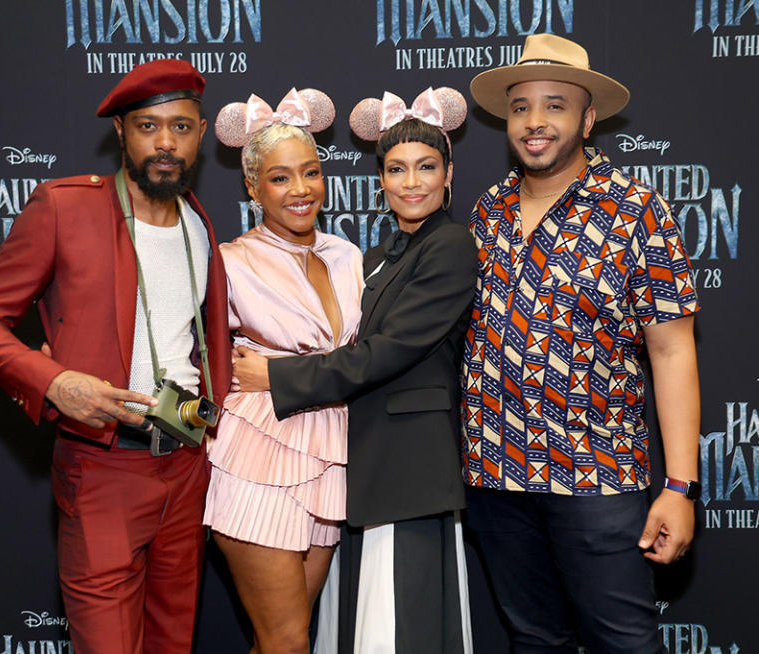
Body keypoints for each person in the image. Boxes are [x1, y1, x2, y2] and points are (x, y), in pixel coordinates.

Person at [0, 59, 231, 654]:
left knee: (171, 643)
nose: (165, 143)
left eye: (181, 127)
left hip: (186, 469)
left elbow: (203, 340)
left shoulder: (200, 223)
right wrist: (54, 382)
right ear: (121, 133)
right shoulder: (64, 208)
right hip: (102, 468)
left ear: (202, 134)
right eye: (148, 126)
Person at [461, 33, 702, 653]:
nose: (535, 122)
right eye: (520, 108)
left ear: (588, 118)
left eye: (555, 105)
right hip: (495, 476)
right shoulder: (486, 213)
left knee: (625, 643)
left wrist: (679, 487)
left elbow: (673, 352)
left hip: (596, 478)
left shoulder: (636, 211)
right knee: (533, 639)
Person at [233, 87, 476, 654]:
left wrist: (276, 376)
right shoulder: (379, 253)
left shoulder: (450, 246)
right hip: (361, 463)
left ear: (448, 174)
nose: (411, 182)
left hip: (408, 465)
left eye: (425, 167)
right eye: (396, 169)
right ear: (380, 181)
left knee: (402, 625)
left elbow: (385, 353)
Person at [205, 88, 364, 654]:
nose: (300, 190)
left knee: (285, 642)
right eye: (279, 178)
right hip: (257, 453)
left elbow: (360, 355)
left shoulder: (348, 256)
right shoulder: (227, 261)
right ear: (252, 186)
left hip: (328, 454)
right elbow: (189, 352)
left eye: (311, 173)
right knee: (289, 641)